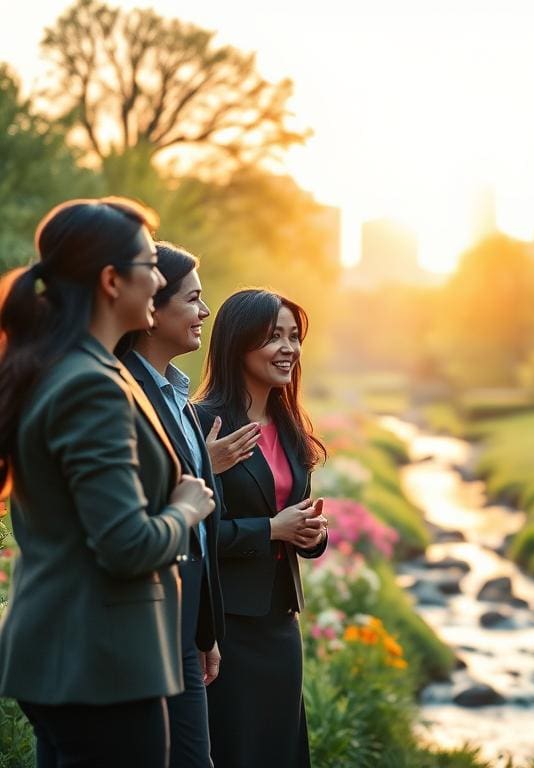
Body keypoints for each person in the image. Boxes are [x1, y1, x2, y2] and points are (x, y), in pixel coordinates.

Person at [0, 198, 214, 767]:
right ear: (112, 280)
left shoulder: (69, 367)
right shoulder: (88, 385)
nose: (160, 280)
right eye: (151, 266)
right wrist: (186, 511)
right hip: (101, 663)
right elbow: (125, 544)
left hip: (76, 660)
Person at [117, 242, 256, 767]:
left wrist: (205, 630)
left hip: (185, 620)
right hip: (144, 619)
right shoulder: (121, 393)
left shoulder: (178, 398)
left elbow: (200, 528)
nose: (204, 312)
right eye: (193, 300)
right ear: (153, 308)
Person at [195, 288, 328, 768]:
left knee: (279, 749)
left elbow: (297, 520)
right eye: (273, 336)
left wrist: (312, 534)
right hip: (224, 627)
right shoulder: (203, 423)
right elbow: (196, 532)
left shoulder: (287, 422)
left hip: (279, 620)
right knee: (235, 749)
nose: (288, 348)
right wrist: (271, 529)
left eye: (294, 336)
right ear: (238, 343)